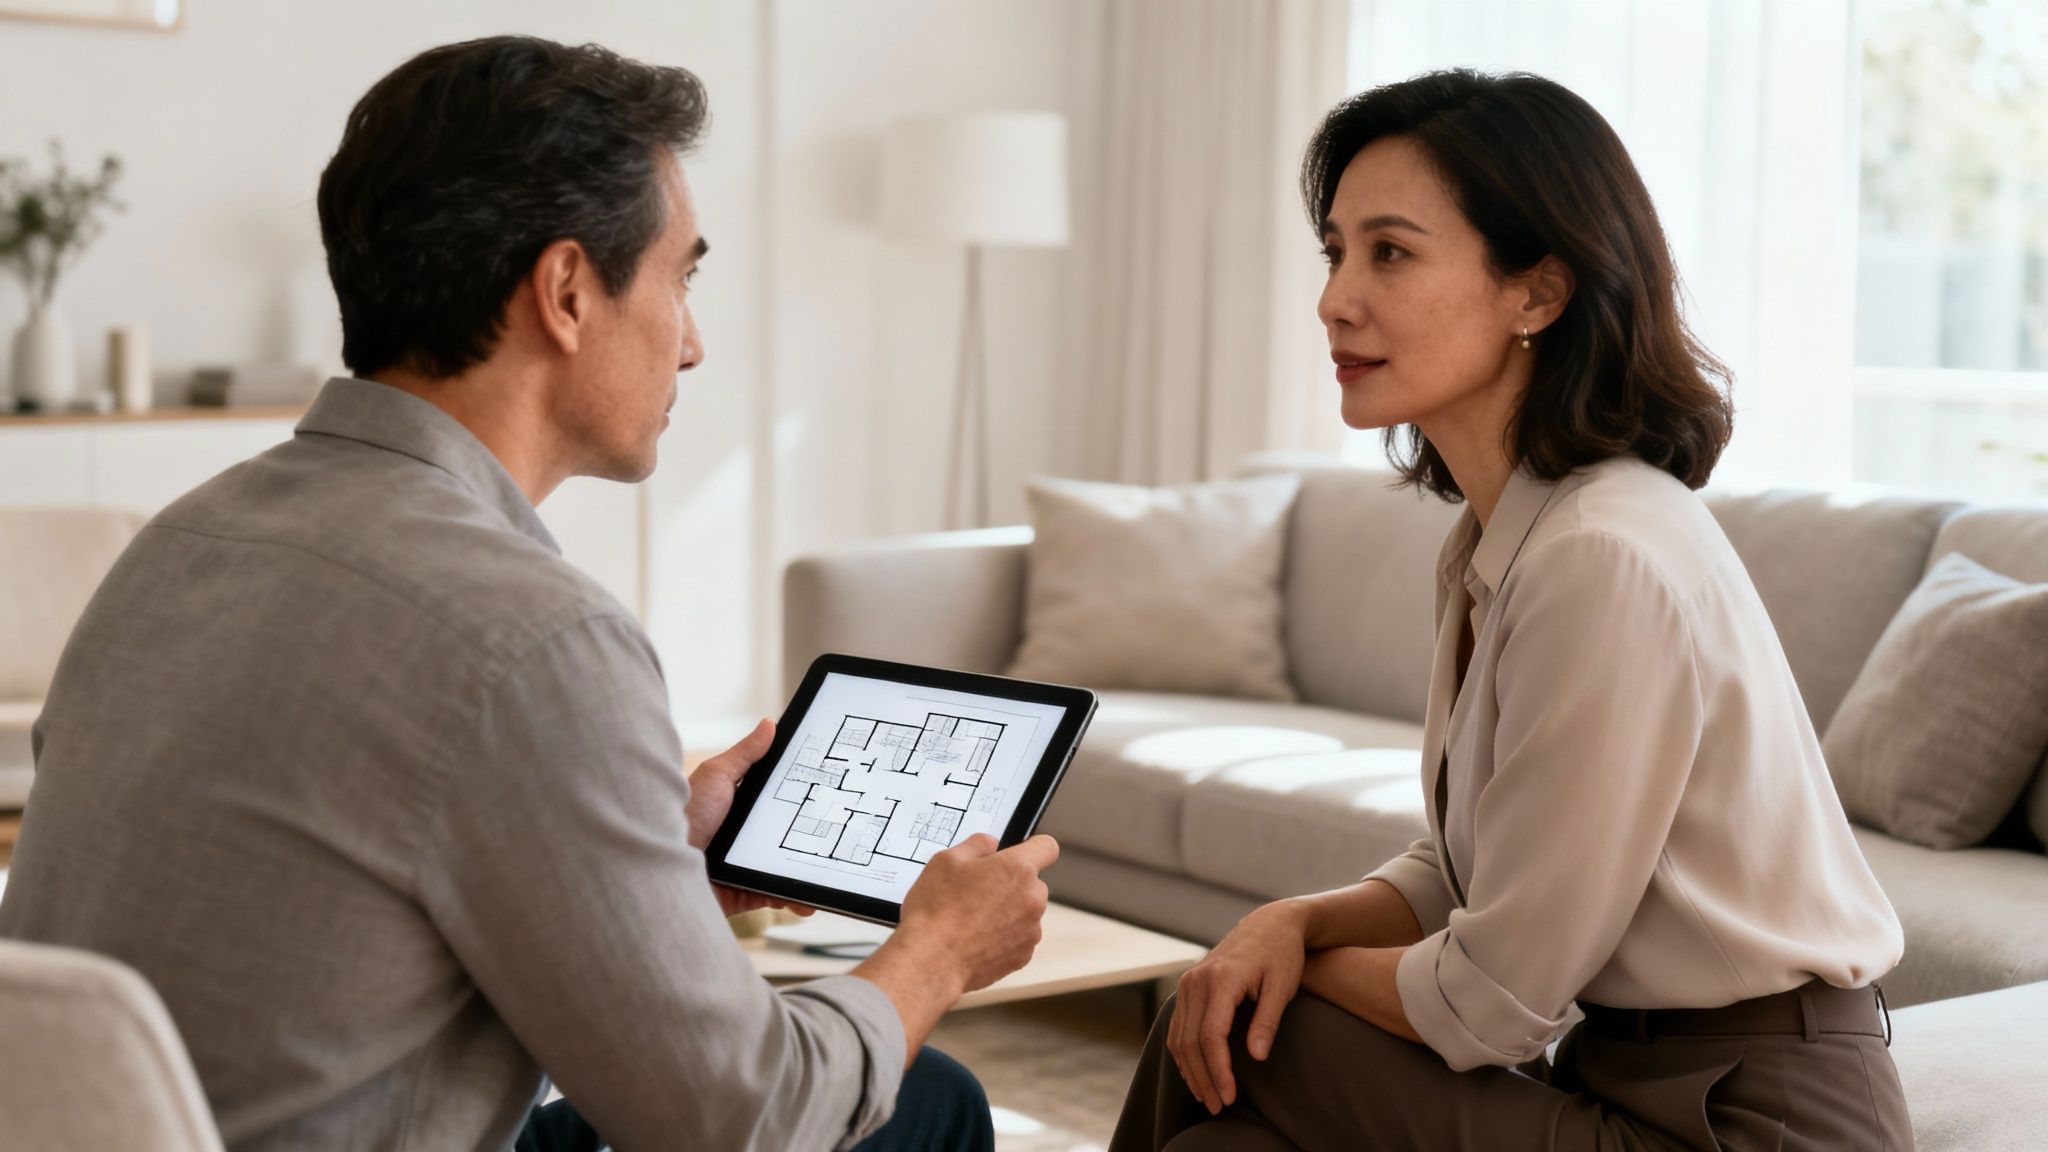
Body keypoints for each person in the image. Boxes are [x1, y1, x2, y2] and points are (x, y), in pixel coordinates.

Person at [0, 35, 1058, 1152]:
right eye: (681, 278)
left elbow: (332, 918)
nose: (692, 345)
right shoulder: (535, 638)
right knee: (924, 1103)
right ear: (566, 292)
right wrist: (937, 951)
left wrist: (655, 870)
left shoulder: (180, 540)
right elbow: (743, 1121)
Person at [1110, 69, 1913, 1151]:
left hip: (1748, 1121)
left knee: (1246, 1026)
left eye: (1390, 253)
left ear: (1537, 294)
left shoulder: (1601, 556)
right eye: (1335, 252)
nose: (1335, 299)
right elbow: (1469, 869)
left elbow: (1487, 1001)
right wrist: (1288, 921)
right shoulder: (1501, 541)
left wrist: (1278, 966)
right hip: (1626, 1082)